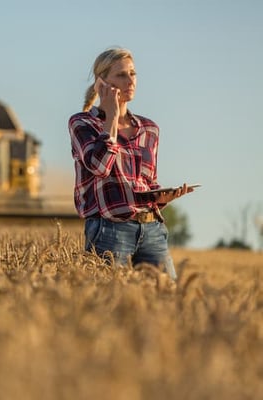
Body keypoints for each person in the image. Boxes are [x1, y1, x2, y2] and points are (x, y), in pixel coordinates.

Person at [68, 47, 194, 279]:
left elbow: (147, 182)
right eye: (121, 75)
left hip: (152, 229)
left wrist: (161, 197)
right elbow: (99, 166)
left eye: (133, 73)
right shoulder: (82, 123)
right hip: (109, 230)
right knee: (109, 302)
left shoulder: (149, 128)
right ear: (101, 83)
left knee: (167, 300)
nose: (130, 80)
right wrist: (112, 117)